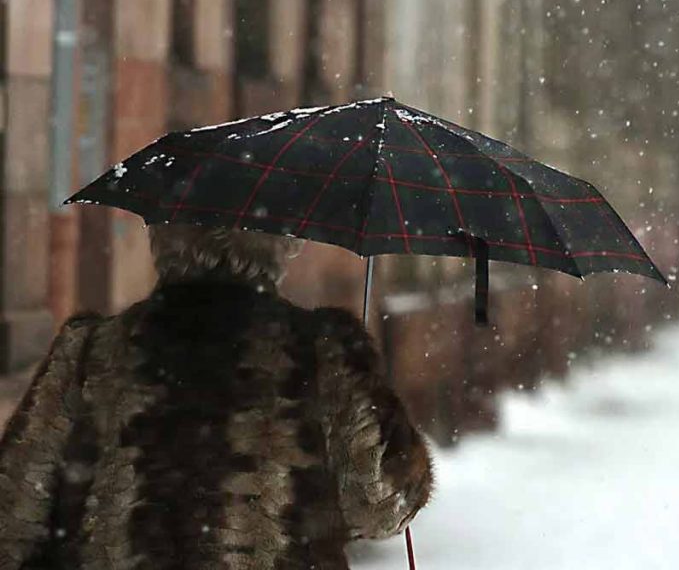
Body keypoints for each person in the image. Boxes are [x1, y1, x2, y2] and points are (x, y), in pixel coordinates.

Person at [0, 224, 432, 569]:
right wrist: (383, 420)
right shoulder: (323, 351)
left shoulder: (90, 350)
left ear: (161, 238)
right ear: (280, 244)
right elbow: (379, 506)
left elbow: (14, 509)